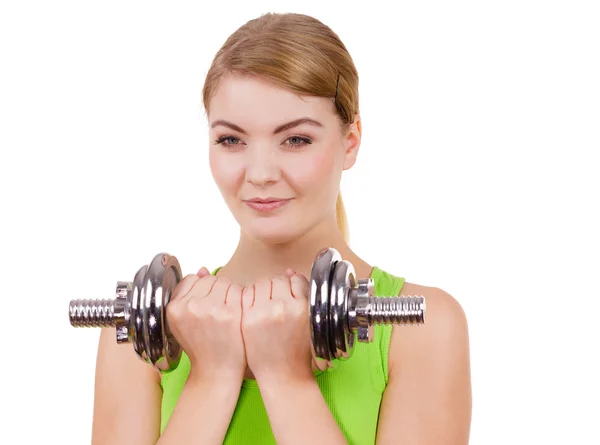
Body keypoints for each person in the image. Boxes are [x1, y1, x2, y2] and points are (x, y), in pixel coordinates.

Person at [92, 12, 472, 445]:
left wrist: (285, 377)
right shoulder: (140, 333)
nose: (260, 173)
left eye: (295, 139)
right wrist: (212, 377)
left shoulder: (423, 329)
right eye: (232, 140)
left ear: (350, 142)